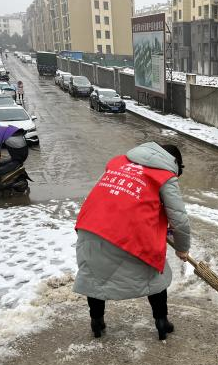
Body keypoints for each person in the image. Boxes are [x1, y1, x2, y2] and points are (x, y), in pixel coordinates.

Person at [73, 141, 191, 340]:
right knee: (155, 276)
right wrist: (182, 248)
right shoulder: (165, 175)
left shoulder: (117, 164)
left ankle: (97, 322)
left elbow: (109, 195)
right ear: (174, 162)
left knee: (95, 275)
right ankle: (161, 322)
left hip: (91, 225)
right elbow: (179, 219)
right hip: (129, 233)